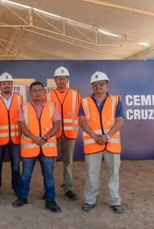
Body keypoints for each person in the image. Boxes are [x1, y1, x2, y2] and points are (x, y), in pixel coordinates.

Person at [78, 71, 125, 214]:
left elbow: (120, 121)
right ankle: (90, 200)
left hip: (111, 143)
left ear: (107, 85)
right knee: (92, 174)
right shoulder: (84, 102)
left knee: (114, 173)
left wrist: (107, 136)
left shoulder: (116, 100)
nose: (99, 87)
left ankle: (115, 201)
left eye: (101, 84)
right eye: (95, 85)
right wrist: (94, 136)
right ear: (92, 87)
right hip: (93, 144)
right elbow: (81, 121)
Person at [12, 81, 62, 213]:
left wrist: (44, 138)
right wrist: (35, 138)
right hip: (30, 147)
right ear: (30, 93)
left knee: (49, 175)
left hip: (47, 147)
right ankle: (22, 197)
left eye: (40, 90)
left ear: (44, 92)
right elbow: (22, 126)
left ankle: (50, 201)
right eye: (34, 91)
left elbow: (57, 125)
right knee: (26, 175)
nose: (37, 93)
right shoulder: (24, 107)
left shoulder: (52, 106)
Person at [47, 66, 81, 200]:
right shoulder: (48, 95)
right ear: (54, 80)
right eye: (58, 79)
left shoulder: (75, 94)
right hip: (52, 134)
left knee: (68, 162)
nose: (61, 81)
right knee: (50, 163)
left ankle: (68, 188)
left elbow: (81, 114)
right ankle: (48, 188)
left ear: (67, 80)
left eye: (63, 78)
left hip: (69, 134)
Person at [0, 72, 22, 197]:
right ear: (0, 85)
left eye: (9, 83)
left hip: (15, 137)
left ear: (12, 85)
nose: (6, 85)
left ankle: (16, 188)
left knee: (15, 165)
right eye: (4, 83)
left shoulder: (20, 98)